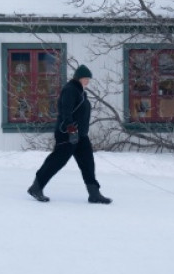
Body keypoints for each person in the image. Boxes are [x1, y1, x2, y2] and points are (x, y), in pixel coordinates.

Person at [27, 65, 112, 204]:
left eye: (88, 79)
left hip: (81, 135)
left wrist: (79, 133)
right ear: (79, 78)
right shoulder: (70, 90)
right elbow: (66, 113)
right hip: (67, 134)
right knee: (57, 161)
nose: (87, 81)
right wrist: (72, 131)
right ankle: (36, 187)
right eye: (86, 78)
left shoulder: (81, 92)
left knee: (88, 163)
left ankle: (94, 193)